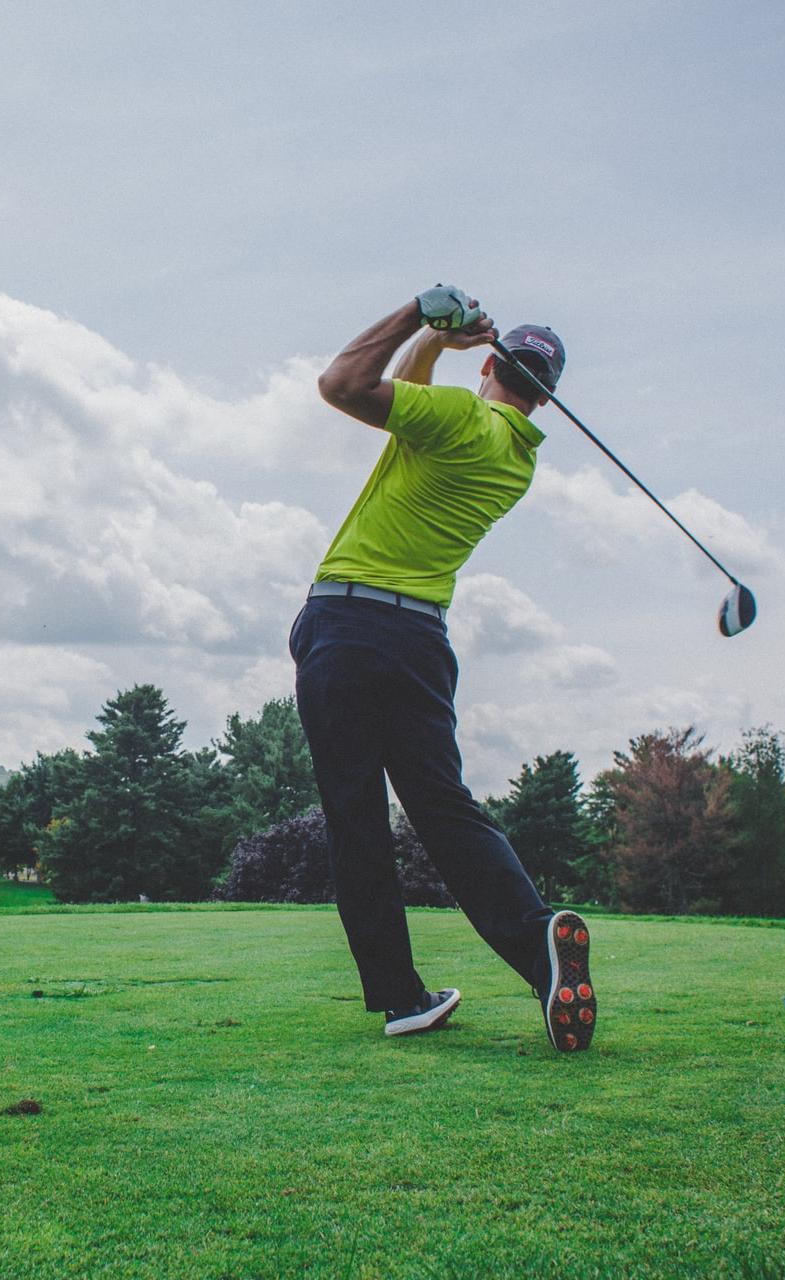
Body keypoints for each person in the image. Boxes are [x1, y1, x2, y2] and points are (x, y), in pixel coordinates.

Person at [289, 284, 596, 1051]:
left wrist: (413, 314)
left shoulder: (460, 419)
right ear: (546, 402)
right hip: (421, 641)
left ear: (491, 364)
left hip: (349, 625)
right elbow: (413, 400)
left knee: (356, 817)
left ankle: (400, 996)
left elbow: (343, 385)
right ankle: (538, 949)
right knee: (446, 810)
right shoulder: (513, 455)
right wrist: (437, 344)